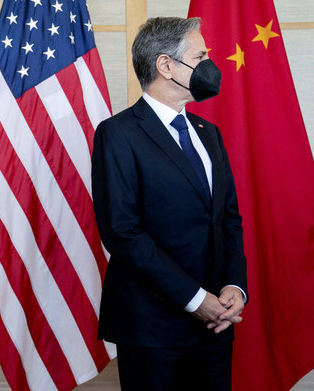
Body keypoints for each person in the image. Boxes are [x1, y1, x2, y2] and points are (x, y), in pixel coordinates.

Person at [91, 17, 247, 391]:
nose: (210, 64)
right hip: (152, 329)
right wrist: (196, 300)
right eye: (201, 55)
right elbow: (122, 233)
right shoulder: (118, 133)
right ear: (166, 65)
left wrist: (234, 289)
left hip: (216, 326)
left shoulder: (210, 134)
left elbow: (228, 219)